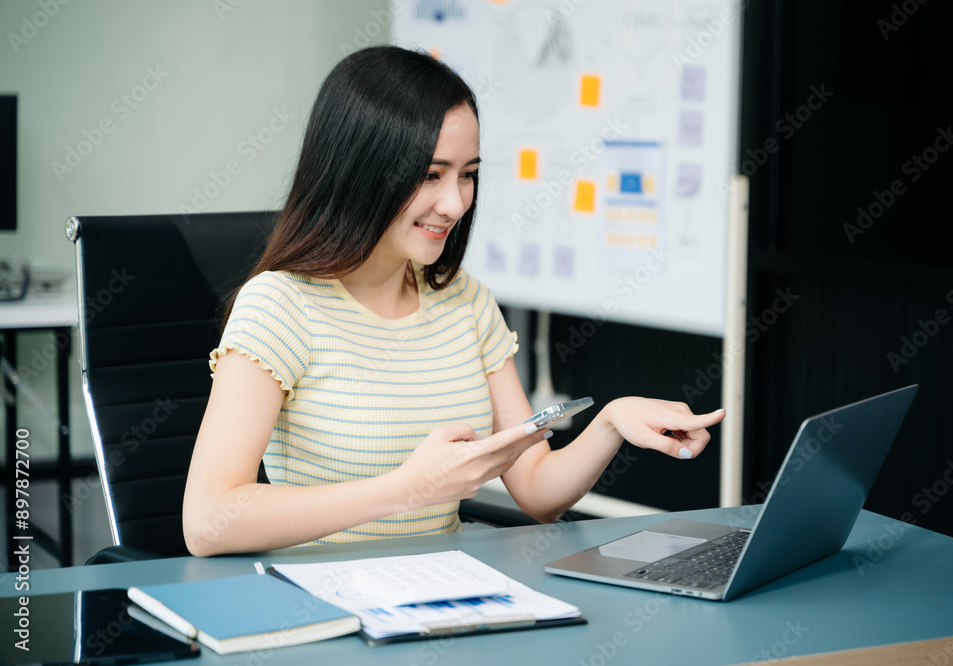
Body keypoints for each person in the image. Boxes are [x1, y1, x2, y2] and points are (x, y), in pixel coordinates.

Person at [182, 46, 725, 557]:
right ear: (359, 172)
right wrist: (407, 490)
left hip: (443, 592)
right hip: (320, 606)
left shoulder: (464, 300)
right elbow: (208, 520)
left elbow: (536, 492)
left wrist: (611, 421)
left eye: (468, 176)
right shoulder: (280, 306)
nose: (455, 203)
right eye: (430, 176)